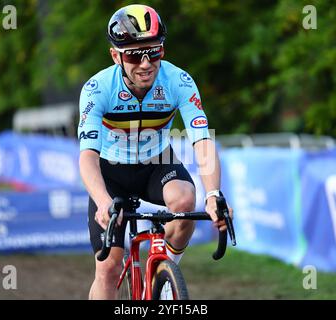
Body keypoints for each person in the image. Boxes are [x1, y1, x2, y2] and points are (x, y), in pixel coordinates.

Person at [78, 4, 233, 300]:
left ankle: (163, 280)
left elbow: (202, 139)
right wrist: (102, 202)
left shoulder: (179, 81)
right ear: (116, 56)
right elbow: (87, 157)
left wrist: (213, 195)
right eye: (135, 54)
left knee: (186, 201)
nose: (146, 63)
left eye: (154, 51)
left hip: (156, 162)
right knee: (108, 267)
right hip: (111, 171)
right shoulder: (97, 89)